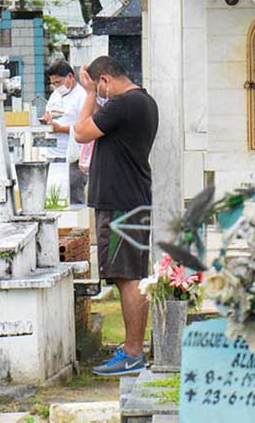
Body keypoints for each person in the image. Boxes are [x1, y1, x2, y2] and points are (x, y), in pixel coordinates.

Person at [74, 55, 159, 376]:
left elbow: (81, 133)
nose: (99, 95)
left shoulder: (124, 104)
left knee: (128, 278)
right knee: (130, 275)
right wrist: (95, 97)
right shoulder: (140, 103)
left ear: (105, 80)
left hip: (121, 204)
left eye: (100, 88)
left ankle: (133, 353)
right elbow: (98, 125)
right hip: (129, 200)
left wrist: (89, 94)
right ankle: (132, 349)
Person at [43, 61, 88, 204]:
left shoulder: (82, 96)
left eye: (59, 82)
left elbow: (85, 128)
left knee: (74, 198)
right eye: (53, 83)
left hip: (72, 157)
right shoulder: (55, 95)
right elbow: (49, 113)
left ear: (70, 76)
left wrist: (60, 129)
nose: (57, 86)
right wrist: (47, 119)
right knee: (54, 199)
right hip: (52, 155)